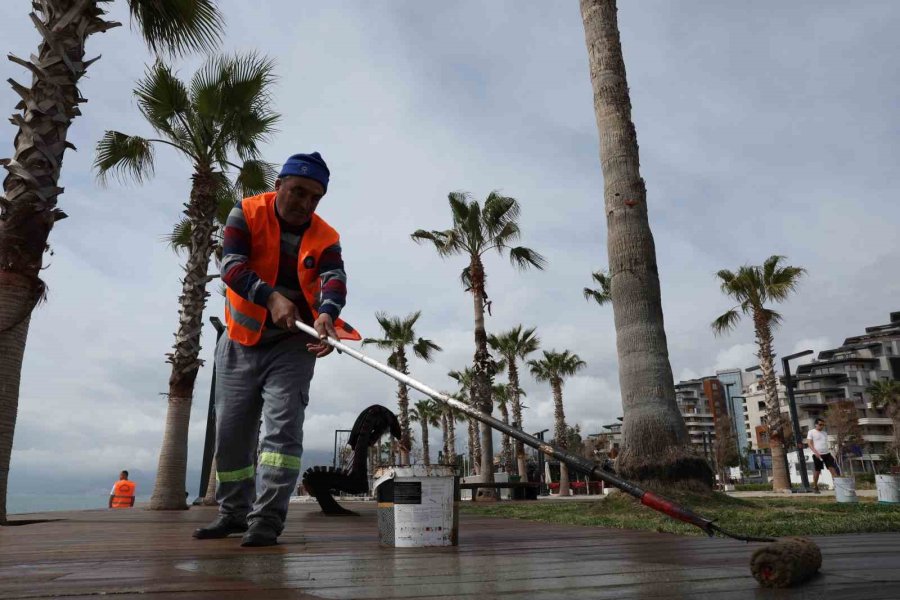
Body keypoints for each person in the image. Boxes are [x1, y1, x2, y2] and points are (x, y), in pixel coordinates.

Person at [193, 152, 360, 547]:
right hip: (239, 343)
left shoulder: (326, 236)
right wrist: (269, 299)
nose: (305, 203)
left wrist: (326, 315)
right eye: (298, 192)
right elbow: (232, 264)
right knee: (232, 435)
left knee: (282, 433)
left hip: (292, 346)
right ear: (280, 186)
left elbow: (333, 278)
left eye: (315, 197)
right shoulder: (247, 212)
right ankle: (233, 514)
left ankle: (266, 520)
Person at [807, 417, 839, 493]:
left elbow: (825, 443)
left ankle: (838, 486)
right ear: (816, 425)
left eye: (823, 425)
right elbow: (809, 443)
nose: (822, 426)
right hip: (817, 454)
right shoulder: (811, 432)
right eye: (820, 424)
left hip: (827, 454)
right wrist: (816, 453)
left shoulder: (824, 433)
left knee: (833, 469)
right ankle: (815, 486)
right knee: (817, 471)